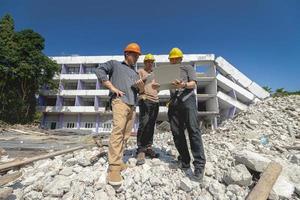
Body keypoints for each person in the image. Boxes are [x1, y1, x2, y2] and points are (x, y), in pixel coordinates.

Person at [95, 43, 144, 186]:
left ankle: (119, 160)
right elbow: (99, 70)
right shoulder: (115, 65)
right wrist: (111, 87)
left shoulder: (135, 74)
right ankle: (114, 168)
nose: (136, 58)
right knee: (118, 132)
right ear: (126, 54)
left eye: (137, 56)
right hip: (119, 102)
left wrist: (141, 88)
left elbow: (140, 93)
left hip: (132, 105)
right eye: (134, 55)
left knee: (125, 135)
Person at [154, 47, 206, 181]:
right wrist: (157, 87)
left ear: (180, 58)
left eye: (176, 59)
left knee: (193, 131)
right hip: (174, 104)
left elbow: (193, 84)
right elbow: (162, 87)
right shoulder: (168, 71)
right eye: (172, 59)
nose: (174, 61)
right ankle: (184, 160)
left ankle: (199, 165)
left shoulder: (187, 68)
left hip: (187, 101)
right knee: (177, 133)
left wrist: (183, 85)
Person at [136, 54, 160, 165]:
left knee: (151, 125)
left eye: (151, 62)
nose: (150, 63)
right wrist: (146, 78)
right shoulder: (140, 71)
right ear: (145, 62)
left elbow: (157, 89)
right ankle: (141, 149)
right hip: (145, 100)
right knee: (144, 123)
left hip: (155, 101)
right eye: (148, 61)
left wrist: (157, 87)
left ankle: (148, 147)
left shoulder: (155, 74)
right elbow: (137, 85)